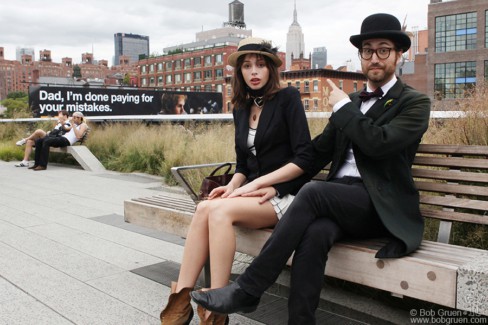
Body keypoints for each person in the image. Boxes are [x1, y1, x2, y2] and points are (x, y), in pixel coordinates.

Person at [190, 13, 431, 325]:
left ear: (399, 55)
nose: (374, 58)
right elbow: (315, 153)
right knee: (314, 234)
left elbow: (379, 143)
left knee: (315, 191)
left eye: (383, 50)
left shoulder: (413, 103)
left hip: (380, 206)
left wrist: (343, 108)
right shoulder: (354, 100)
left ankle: (248, 290)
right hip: (341, 201)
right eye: (367, 50)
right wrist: (275, 186)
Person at [159, 37, 314, 325]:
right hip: (252, 195)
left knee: (218, 211)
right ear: (239, 72)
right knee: (206, 206)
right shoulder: (241, 107)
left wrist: (256, 185)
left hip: (284, 196)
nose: (253, 71)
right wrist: (231, 186)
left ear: (270, 69)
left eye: (259, 65)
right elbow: (243, 163)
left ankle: (217, 305)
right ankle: (181, 296)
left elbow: (304, 158)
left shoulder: (287, 99)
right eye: (246, 66)